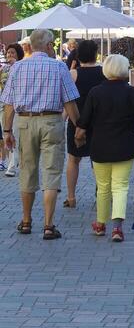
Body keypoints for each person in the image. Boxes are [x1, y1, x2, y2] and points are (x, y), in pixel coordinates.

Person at [0, 29, 81, 239]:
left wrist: (7, 131)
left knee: (27, 170)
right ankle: (48, 225)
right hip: (51, 121)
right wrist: (79, 127)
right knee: (51, 172)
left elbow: (8, 104)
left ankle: (26, 221)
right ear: (47, 46)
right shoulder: (59, 67)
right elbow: (69, 102)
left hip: (24, 122)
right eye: (52, 44)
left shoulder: (17, 67)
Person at [75, 54, 134, 242]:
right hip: (125, 146)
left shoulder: (95, 92)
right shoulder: (132, 92)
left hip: (100, 145)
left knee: (103, 187)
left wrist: (79, 135)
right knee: (121, 186)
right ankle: (117, 228)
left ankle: (100, 224)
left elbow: (84, 120)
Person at [64, 39, 106, 210]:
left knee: (73, 160)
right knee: (98, 161)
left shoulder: (73, 74)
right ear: (95, 54)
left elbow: (68, 100)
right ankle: (100, 194)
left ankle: (71, 197)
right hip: (99, 122)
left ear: (78, 55)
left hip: (77, 121)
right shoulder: (104, 72)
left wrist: (64, 117)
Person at [1, 43, 22, 177]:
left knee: (14, 133)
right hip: (3, 104)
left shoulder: (21, 67)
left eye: (13, 53)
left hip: (16, 105)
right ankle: (10, 161)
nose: (10, 55)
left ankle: (12, 166)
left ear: (18, 55)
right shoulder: (3, 68)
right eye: (8, 53)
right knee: (5, 133)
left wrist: (15, 65)